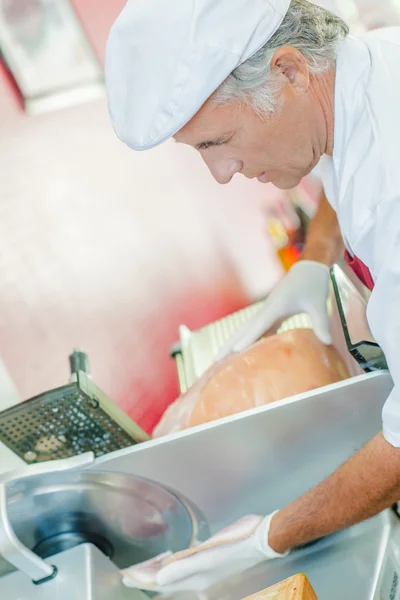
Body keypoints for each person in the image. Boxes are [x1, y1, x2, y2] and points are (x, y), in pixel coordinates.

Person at [105, 0, 400, 593]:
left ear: (289, 70)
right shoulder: (363, 74)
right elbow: (341, 173)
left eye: (220, 141)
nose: (220, 173)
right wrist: (314, 263)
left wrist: (269, 537)